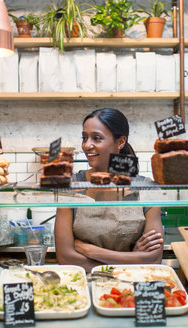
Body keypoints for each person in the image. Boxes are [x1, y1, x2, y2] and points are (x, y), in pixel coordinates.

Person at [55, 108, 164, 272]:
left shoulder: (146, 189)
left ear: (120, 142)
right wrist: (131, 258)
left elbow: (154, 259)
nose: (87, 145)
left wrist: (91, 251)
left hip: (131, 283)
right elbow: (65, 257)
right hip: (83, 285)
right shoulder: (72, 185)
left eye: (96, 138)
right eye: (84, 138)